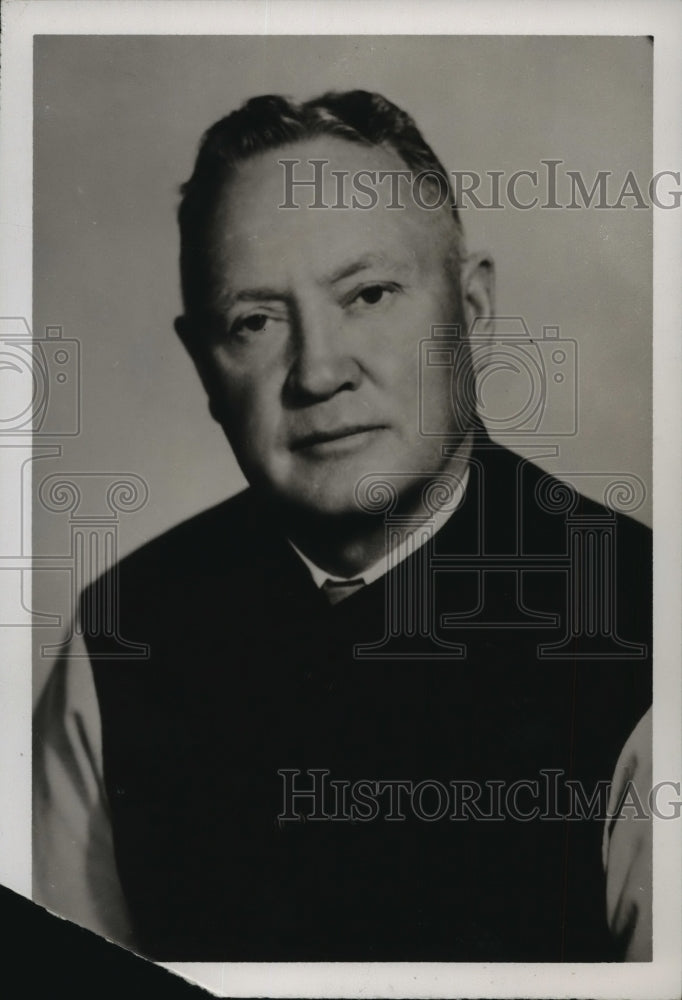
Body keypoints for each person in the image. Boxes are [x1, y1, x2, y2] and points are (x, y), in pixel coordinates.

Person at [33, 90, 652, 962]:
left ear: (470, 310)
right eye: (254, 322)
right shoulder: (119, 639)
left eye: (367, 294)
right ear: (203, 366)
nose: (318, 371)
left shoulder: (648, 632)